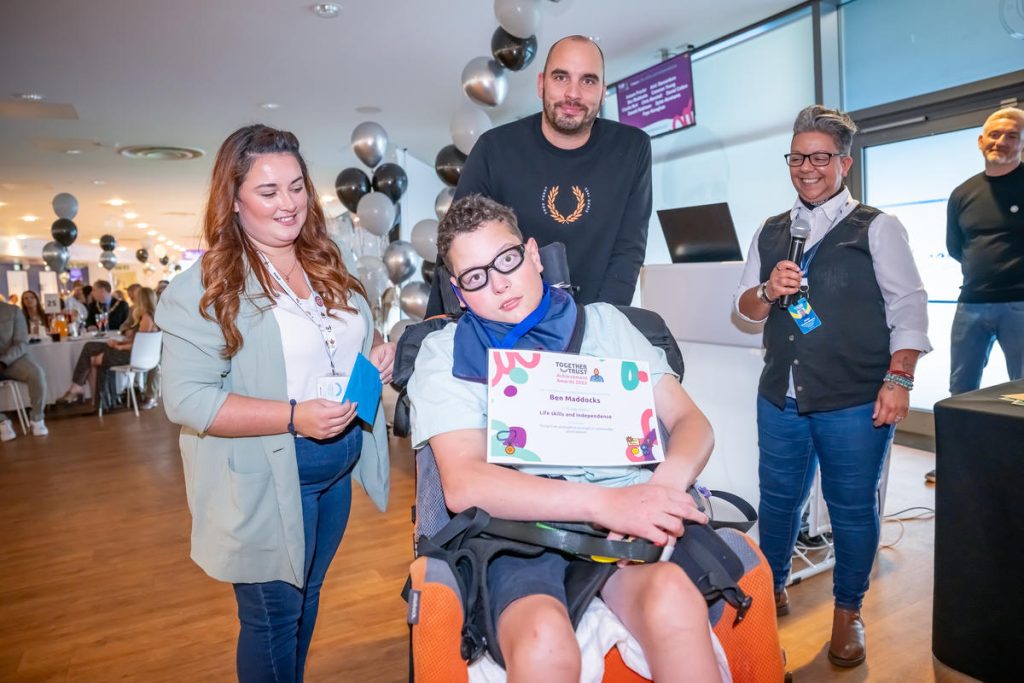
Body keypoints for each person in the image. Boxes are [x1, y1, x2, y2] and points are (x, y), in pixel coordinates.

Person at [408, 195, 722, 682]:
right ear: (459, 291)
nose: (499, 284)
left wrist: (664, 486)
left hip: (629, 513)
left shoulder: (608, 325)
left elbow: (691, 422)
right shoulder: (445, 355)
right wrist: (603, 505)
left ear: (533, 254)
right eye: (475, 277)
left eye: (507, 260)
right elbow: (464, 482)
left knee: (674, 600)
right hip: (519, 529)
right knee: (542, 641)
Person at [156, 124, 394, 682]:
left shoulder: (322, 260)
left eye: (296, 186)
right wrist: (293, 416)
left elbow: (332, 343)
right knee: (270, 619)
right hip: (263, 477)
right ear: (234, 201)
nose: (288, 204)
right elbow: (188, 399)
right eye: (268, 192)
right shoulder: (207, 285)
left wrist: (372, 356)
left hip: (334, 473)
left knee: (304, 606)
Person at [734, 105, 931, 668]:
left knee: (850, 508)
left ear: (844, 162)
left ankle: (848, 611)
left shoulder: (877, 227)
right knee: (777, 503)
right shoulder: (772, 231)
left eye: (820, 157)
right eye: (798, 157)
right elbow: (745, 309)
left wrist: (899, 377)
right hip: (782, 396)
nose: (807, 168)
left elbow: (909, 307)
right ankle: (770, 589)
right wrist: (770, 290)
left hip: (852, 397)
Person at [425, 35, 652, 316]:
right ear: (541, 83)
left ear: (603, 91)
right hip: (507, 324)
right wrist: (438, 323)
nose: (573, 93)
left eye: (588, 80)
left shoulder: (632, 148)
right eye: (561, 77)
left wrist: (602, 324)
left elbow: (628, 249)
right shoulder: (494, 149)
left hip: (595, 321)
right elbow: (457, 243)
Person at [946, 108, 1024, 390]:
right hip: (971, 303)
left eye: (1012, 136)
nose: (1001, 141)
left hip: (1020, 304)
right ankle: (963, 437)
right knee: (960, 390)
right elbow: (956, 248)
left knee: (1022, 390)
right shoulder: (963, 193)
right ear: (981, 141)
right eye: (994, 134)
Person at [58, 286, 160, 408]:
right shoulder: (151, 316)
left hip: (134, 357)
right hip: (134, 354)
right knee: (90, 346)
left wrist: (119, 347)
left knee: (94, 358)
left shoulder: (147, 318)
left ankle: (80, 390)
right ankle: (84, 391)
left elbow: (140, 346)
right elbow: (138, 341)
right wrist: (119, 344)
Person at [0, 300, 48, 438]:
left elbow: (21, 342)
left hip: (12, 358)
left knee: (36, 373)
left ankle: (37, 418)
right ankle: (2, 422)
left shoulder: (12, 311)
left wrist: (4, 361)